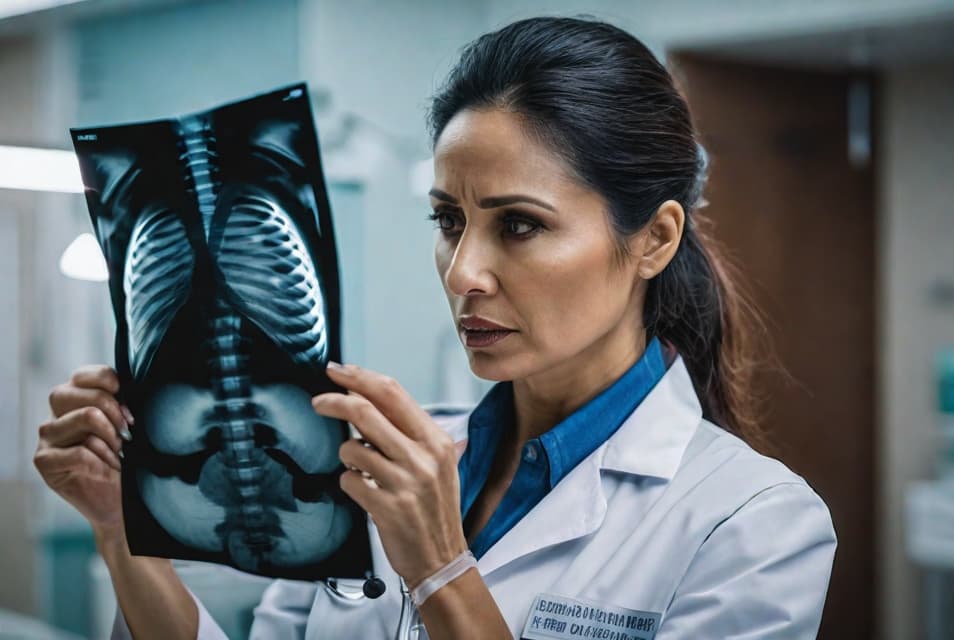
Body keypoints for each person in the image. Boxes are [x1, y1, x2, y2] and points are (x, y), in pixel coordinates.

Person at [33, 16, 837, 640]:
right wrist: (121, 532)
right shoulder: (384, 469)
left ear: (654, 239)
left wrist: (441, 568)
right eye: (449, 221)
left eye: (518, 225)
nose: (462, 273)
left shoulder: (754, 522)